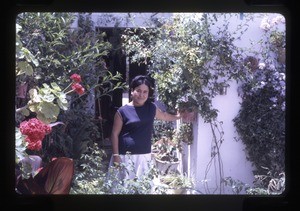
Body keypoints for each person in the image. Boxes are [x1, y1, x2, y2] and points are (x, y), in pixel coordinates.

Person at [108, 75, 184, 182]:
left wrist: (180, 116)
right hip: (125, 157)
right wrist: (116, 156)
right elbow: (114, 134)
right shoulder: (122, 111)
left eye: (145, 92)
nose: (141, 95)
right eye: (138, 91)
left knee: (143, 188)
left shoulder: (151, 108)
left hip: (144, 156)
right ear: (132, 91)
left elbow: (165, 116)